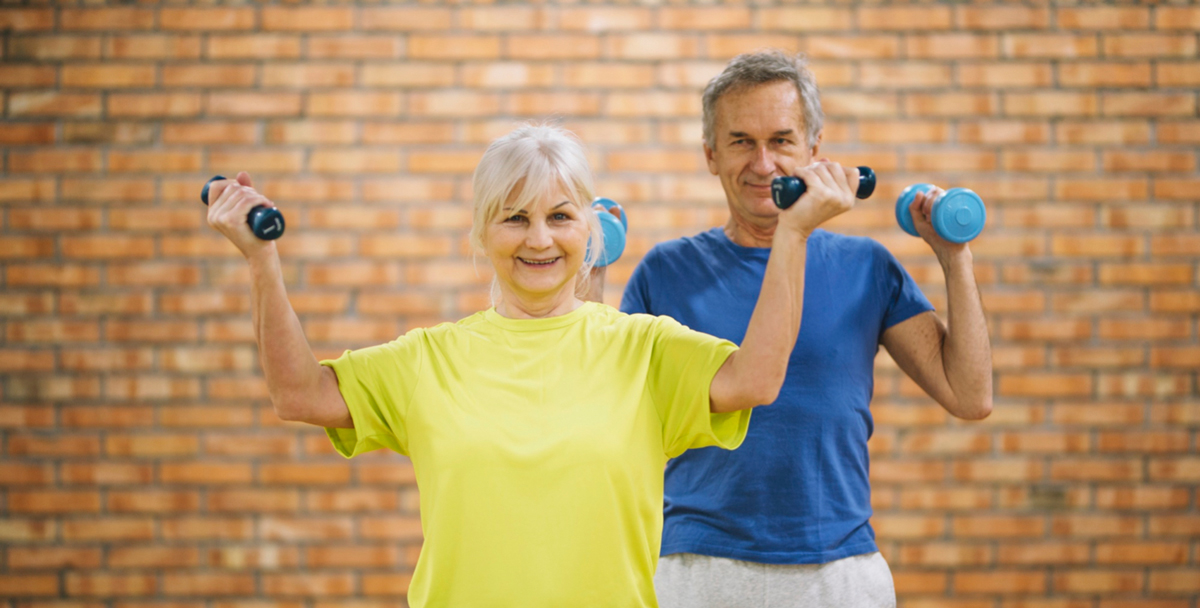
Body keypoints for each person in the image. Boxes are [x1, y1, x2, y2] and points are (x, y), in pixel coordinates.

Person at [205, 123, 860, 608]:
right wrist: (261, 263)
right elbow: (298, 392)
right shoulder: (429, 360)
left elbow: (757, 378)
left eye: (560, 216)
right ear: (482, 235)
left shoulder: (645, 350)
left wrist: (794, 235)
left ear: (590, 232)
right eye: (514, 218)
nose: (539, 238)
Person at [620, 51, 994, 607]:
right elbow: (615, 414)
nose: (763, 162)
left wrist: (954, 258)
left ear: (814, 151)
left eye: (782, 140)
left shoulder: (866, 267)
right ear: (710, 154)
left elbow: (970, 395)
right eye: (742, 141)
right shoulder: (665, 273)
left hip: (839, 570)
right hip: (699, 567)